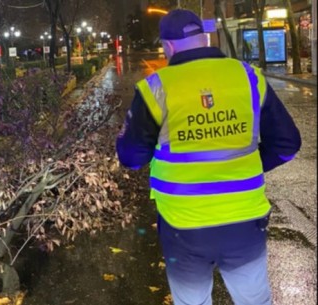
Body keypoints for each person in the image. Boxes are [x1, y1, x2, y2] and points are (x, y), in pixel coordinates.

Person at [116, 9, 301, 305]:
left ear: (169, 46)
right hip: (245, 220)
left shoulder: (157, 88)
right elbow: (287, 144)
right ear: (205, 38)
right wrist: (246, 166)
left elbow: (132, 157)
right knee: (255, 300)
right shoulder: (249, 77)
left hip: (184, 225)